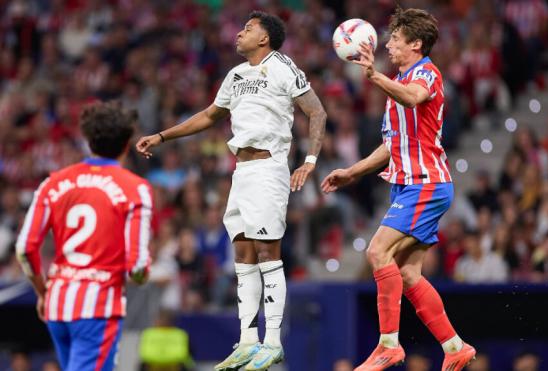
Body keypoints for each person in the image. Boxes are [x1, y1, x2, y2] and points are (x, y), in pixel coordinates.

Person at [135, 11, 326, 371]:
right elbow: (209, 116)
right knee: (242, 254)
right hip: (241, 171)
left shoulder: (282, 66)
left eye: (248, 29)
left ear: (265, 38)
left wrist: (311, 160)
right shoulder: (235, 75)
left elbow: (316, 112)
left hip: (269, 168)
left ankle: (272, 342)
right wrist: (162, 136)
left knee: (269, 251)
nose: (239, 34)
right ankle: (248, 340)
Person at [321, 7, 474, 371]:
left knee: (377, 251)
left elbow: (414, 97)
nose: (388, 44)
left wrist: (373, 76)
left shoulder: (427, 74)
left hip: (426, 184)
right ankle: (454, 346)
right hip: (408, 186)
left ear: (416, 43)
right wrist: (352, 172)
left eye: (395, 39)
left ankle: (388, 344)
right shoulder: (397, 87)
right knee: (408, 275)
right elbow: (391, 147)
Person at [15, 102, 153, 371]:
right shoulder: (135, 189)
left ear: (88, 141)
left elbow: (24, 249)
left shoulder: (53, 182)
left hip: (58, 303)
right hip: (98, 307)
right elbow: (137, 267)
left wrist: (42, 292)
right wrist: (140, 277)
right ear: (127, 145)